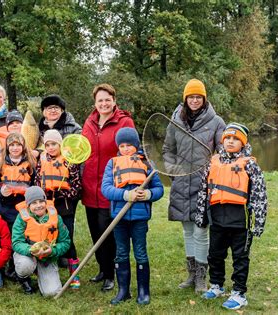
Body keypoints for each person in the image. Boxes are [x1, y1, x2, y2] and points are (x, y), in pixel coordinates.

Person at [195, 123, 268, 310]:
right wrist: (201, 214)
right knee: (215, 255)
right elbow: (204, 189)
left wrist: (258, 222)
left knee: (240, 258)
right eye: (228, 138)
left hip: (240, 222)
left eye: (235, 139)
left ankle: (239, 292)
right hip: (217, 218)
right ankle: (216, 285)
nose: (230, 141)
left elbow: (260, 194)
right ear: (223, 140)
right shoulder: (213, 161)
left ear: (242, 143)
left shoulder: (249, 164)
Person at [163, 79, 226, 293]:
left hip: (203, 186)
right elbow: (167, 150)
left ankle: (201, 277)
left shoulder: (216, 122)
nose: (195, 100)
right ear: (185, 98)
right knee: (188, 231)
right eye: (191, 97)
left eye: (199, 97)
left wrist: (213, 177)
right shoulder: (175, 121)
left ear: (204, 98)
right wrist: (173, 172)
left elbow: (224, 152)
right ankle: (191, 274)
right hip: (181, 184)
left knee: (201, 231)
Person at [81, 83, 135, 291]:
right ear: (95, 103)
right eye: (100, 100)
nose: (104, 103)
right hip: (89, 186)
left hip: (110, 185)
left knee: (108, 231)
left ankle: (112, 274)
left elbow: (131, 151)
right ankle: (102, 269)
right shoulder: (89, 121)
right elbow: (83, 149)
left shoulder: (124, 122)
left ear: (114, 100)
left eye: (107, 99)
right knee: (95, 230)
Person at [101, 127, 164, 305]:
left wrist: (149, 195)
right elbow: (105, 189)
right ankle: (123, 291)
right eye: (122, 145)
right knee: (121, 253)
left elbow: (159, 189)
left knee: (140, 253)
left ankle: (144, 291)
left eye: (129, 145)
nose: (126, 148)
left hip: (139, 218)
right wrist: (125, 195)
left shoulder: (147, 164)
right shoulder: (112, 164)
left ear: (136, 145)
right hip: (118, 217)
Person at [34, 129, 82, 289]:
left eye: (54, 144)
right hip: (47, 206)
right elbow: (36, 181)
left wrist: (62, 192)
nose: (51, 147)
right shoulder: (41, 160)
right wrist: (42, 193)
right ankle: (46, 270)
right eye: (47, 144)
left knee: (67, 238)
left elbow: (76, 188)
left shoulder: (70, 161)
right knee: (47, 236)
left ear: (60, 144)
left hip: (65, 206)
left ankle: (74, 273)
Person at [0, 132, 36, 279]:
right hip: (5, 206)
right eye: (12, 145)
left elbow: (35, 184)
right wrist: (1, 191)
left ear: (23, 147)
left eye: (18, 145)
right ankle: (8, 266)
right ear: (7, 147)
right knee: (7, 237)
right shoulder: (0, 162)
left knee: (23, 236)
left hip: (24, 207)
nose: (15, 148)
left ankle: (24, 266)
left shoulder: (31, 162)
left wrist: (30, 192)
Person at [11, 186, 70, 296]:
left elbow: (65, 242)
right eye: (34, 203)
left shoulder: (56, 218)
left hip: (47, 257)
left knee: (51, 293)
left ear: (45, 202)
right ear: (28, 205)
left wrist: (52, 251)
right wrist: (31, 250)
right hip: (28, 254)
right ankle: (23, 277)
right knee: (24, 265)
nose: (38, 206)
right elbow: (16, 242)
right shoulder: (21, 218)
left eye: (41, 201)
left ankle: (42, 273)